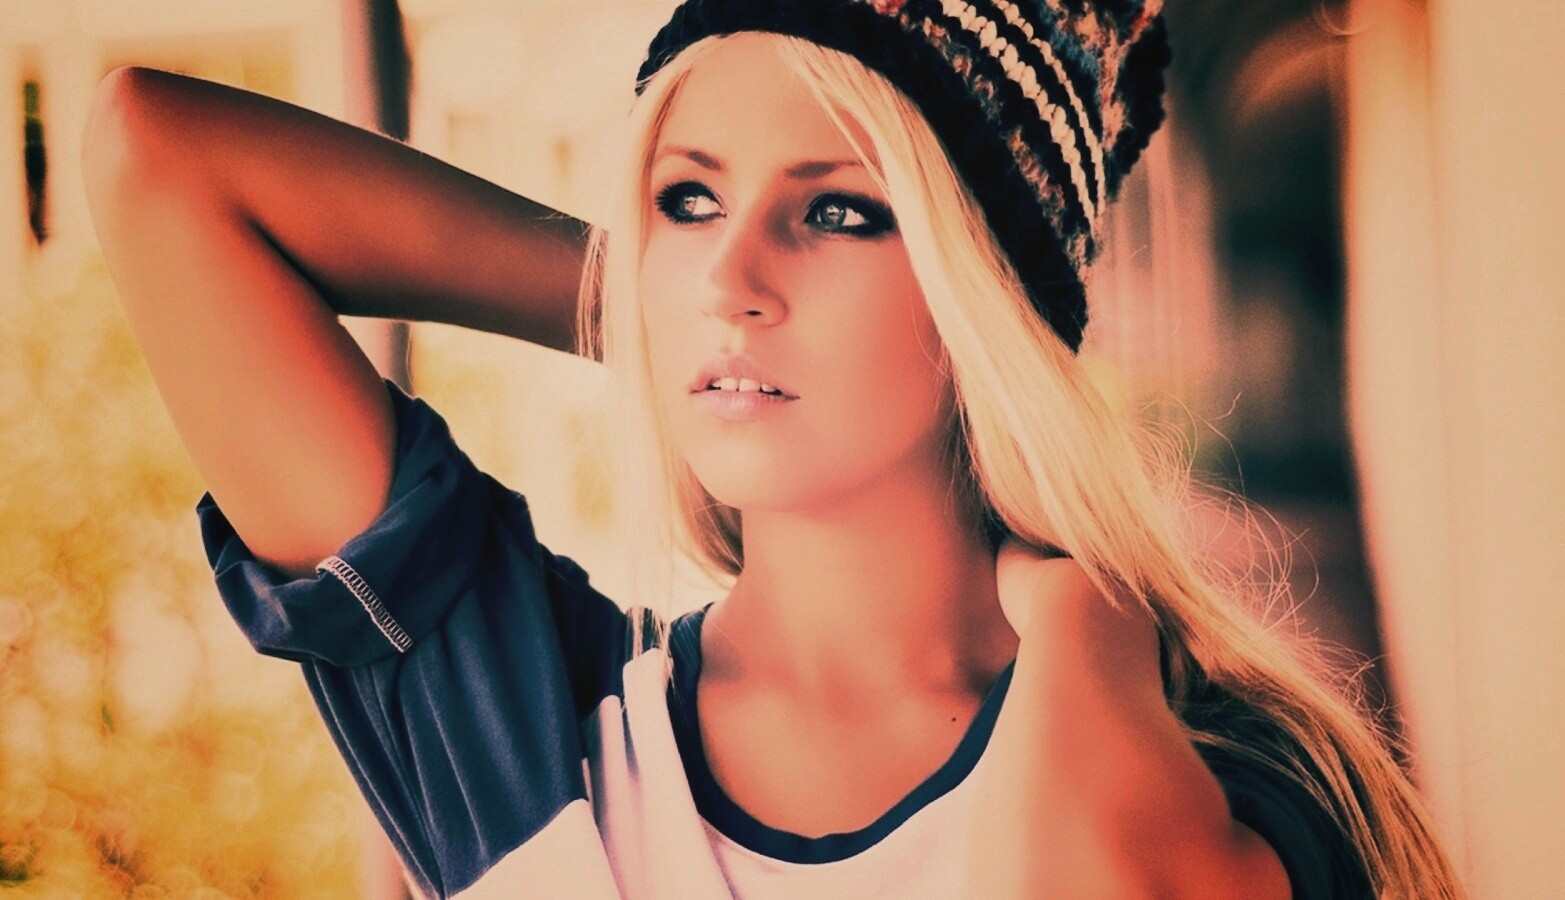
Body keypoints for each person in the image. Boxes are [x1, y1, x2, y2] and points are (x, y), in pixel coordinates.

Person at [82, 0, 1466, 897]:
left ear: (977, 302)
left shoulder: (1231, 778)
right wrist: (659, 314)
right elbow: (159, 160)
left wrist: (1090, 625)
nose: (730, 274)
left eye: (840, 213)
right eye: (688, 200)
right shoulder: (530, 724)